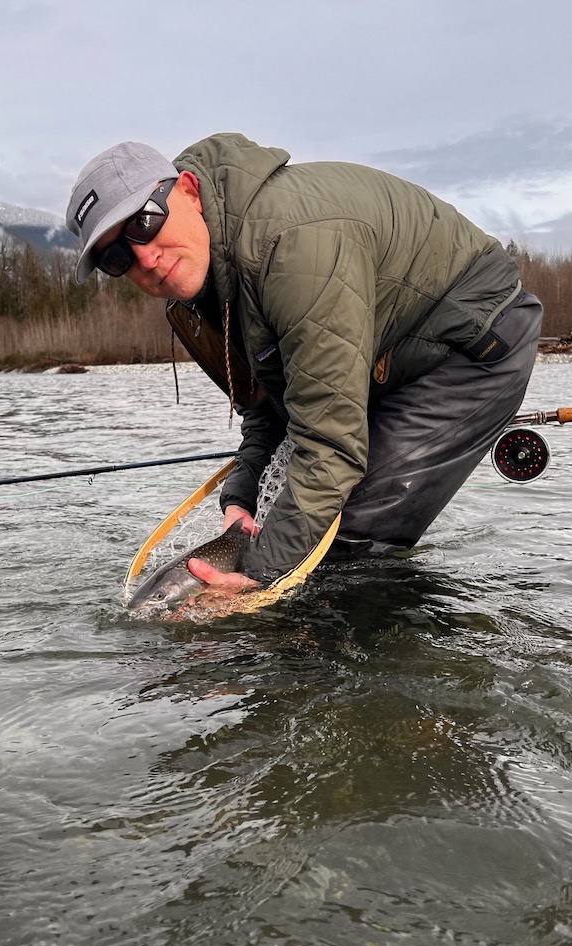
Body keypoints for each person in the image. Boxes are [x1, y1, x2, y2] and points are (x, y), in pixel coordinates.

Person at [65, 134, 542, 598]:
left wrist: (256, 581)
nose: (145, 257)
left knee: (340, 548)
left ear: (188, 191)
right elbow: (270, 404)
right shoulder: (205, 284)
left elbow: (332, 444)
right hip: (385, 353)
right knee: (295, 526)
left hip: (475, 339)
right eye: (116, 257)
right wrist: (241, 496)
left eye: (145, 222)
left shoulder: (289, 248)